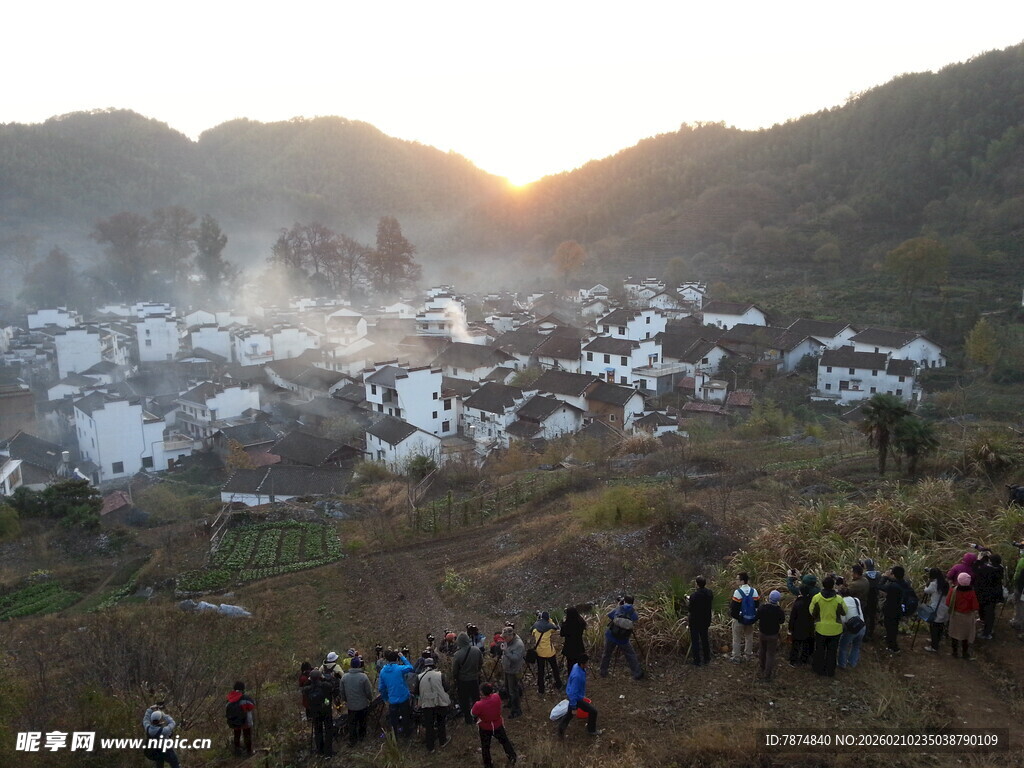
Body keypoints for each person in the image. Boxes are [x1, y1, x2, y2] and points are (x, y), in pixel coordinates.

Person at [472, 683, 517, 768]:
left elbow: (473, 713)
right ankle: (512, 757)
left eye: (481, 694)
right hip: (497, 725)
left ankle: (488, 764)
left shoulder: (479, 704)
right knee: (505, 741)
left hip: (485, 727)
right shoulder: (496, 697)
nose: (480, 695)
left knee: (485, 747)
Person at [599, 595, 644, 680]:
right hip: (623, 638)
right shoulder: (633, 612)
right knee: (630, 654)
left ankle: (603, 671)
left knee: (607, 654)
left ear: (624, 600)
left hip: (611, 635)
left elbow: (610, 615)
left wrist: (619, 606)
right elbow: (635, 619)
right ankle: (637, 673)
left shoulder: (619, 608)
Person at [810, 575, 846, 677]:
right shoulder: (839, 599)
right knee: (832, 651)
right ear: (833, 586)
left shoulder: (817, 598)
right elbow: (844, 612)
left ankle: (818, 669)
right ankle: (830, 671)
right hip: (836, 630)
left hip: (821, 628)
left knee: (820, 650)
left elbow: (812, 611)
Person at [559, 654, 599, 737]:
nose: (588, 664)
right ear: (582, 664)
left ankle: (560, 731)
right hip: (576, 699)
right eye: (587, 663)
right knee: (593, 712)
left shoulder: (576, 666)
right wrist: (574, 707)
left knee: (569, 716)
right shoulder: (577, 676)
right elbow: (573, 692)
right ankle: (591, 730)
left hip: (576, 697)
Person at [417, 657, 452, 753]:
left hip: (427, 704)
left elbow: (416, 691)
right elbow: (447, 688)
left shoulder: (419, 677)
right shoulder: (440, 675)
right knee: (441, 723)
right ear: (434, 665)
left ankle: (430, 747)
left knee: (429, 726)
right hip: (440, 702)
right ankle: (443, 741)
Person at [378, 650, 415, 738]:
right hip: (403, 697)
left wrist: (386, 698)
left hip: (392, 699)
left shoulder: (383, 671)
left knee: (393, 719)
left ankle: (395, 736)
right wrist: (402, 657)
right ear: (396, 659)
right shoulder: (399, 669)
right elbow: (411, 668)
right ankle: (407, 734)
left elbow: (381, 688)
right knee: (406, 717)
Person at [452, 631, 484, 725]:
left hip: (463, 681)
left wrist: (456, 678)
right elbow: (481, 663)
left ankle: (468, 719)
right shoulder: (476, 650)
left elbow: (454, 670)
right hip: (474, 678)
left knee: (464, 700)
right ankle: (477, 716)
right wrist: (476, 671)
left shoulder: (457, 655)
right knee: (476, 698)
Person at [340, 657, 373, 747]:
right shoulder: (363, 677)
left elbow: (342, 692)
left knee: (352, 723)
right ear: (359, 665)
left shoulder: (344, 677)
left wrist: (346, 700)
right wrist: (370, 699)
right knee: (362, 722)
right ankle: (362, 737)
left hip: (351, 705)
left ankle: (353, 740)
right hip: (362, 705)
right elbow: (368, 691)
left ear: (351, 665)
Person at [947, 572, 980, 660]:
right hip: (967, 616)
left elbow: (948, 603)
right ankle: (965, 654)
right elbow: (975, 606)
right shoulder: (972, 592)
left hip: (956, 615)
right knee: (965, 636)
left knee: (954, 635)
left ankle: (954, 652)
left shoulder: (953, 590)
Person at [303, 669, 336, 757]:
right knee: (329, 730)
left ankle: (320, 750)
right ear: (319, 677)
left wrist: (309, 681)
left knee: (318, 731)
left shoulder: (307, 689)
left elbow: (304, 688)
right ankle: (328, 752)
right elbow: (333, 685)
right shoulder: (325, 686)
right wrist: (324, 678)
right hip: (326, 710)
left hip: (315, 712)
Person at [755, 590, 785, 681]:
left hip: (763, 633)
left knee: (762, 650)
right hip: (773, 635)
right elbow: (782, 621)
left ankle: (762, 667)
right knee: (770, 654)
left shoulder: (762, 608)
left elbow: (757, 616)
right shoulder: (779, 611)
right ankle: (767, 674)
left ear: (769, 598)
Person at [880, 566, 911, 653]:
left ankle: (893, 647)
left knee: (890, 627)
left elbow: (880, 586)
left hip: (890, 610)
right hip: (898, 610)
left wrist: (885, 577)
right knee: (894, 627)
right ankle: (891, 641)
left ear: (894, 575)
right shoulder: (903, 583)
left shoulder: (893, 586)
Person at [531, 611, 562, 695]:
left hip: (539, 652)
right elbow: (556, 628)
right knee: (555, 668)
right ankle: (559, 684)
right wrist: (550, 620)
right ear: (547, 618)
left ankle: (541, 689)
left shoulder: (535, 625)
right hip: (549, 652)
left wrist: (538, 621)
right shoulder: (550, 626)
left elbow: (532, 632)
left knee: (541, 671)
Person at [730, 574, 759, 662]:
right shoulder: (754, 591)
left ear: (742, 581)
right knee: (749, 637)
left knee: (736, 638)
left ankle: (736, 657)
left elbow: (734, 608)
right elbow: (757, 606)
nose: (736, 580)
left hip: (739, 619)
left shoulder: (738, 592)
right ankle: (748, 655)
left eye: (737, 579)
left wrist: (738, 617)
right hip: (750, 619)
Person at [975, 553, 1005, 640]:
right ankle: (988, 630)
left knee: (987, 613)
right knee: (990, 612)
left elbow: (976, 572)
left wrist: (978, 560)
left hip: (984, 594)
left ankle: (986, 633)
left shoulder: (986, 569)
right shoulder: (1000, 569)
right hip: (994, 595)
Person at [500, 626, 526, 718]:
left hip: (514, 670)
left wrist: (505, 651)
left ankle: (516, 710)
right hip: (507, 669)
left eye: (505, 637)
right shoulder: (509, 641)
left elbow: (515, 658)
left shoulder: (518, 644)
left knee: (513, 691)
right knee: (507, 688)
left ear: (511, 636)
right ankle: (511, 703)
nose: (504, 639)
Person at [837, 586, 866, 669]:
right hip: (862, 625)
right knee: (856, 646)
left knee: (843, 645)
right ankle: (852, 663)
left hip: (852, 628)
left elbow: (843, 619)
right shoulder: (856, 600)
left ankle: (842, 664)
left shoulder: (841, 602)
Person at [922, 568, 949, 653]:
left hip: (936, 608)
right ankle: (937, 640)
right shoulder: (945, 583)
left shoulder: (934, 584)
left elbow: (926, 591)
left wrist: (927, 584)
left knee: (934, 626)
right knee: (940, 625)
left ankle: (934, 646)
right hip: (944, 608)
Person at [688, 577, 714, 667]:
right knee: (705, 639)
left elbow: (690, 609)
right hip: (705, 620)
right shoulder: (709, 593)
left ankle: (697, 660)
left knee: (695, 641)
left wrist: (689, 600)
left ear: (697, 584)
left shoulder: (694, 596)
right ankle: (707, 658)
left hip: (695, 621)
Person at [225, 681, 256, 756]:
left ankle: (237, 751)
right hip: (245, 721)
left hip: (234, 721)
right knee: (247, 735)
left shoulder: (229, 698)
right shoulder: (245, 697)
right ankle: (249, 751)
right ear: (243, 688)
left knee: (236, 735)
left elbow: (226, 709)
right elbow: (252, 706)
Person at [788, 585, 814, 667]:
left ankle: (793, 660)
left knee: (796, 644)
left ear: (800, 592)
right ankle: (804, 660)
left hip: (798, 627)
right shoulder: (811, 602)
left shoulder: (798, 603)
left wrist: (790, 628)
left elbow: (793, 617)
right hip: (809, 627)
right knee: (806, 644)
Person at [559, 606, 587, 678]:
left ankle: (572, 678)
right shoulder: (580, 622)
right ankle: (580, 677)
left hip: (569, 648)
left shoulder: (567, 625)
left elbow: (562, 634)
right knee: (579, 663)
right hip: (579, 646)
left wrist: (563, 623)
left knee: (570, 665)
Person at [860, 558, 882, 641]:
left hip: (866, 597)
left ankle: (865, 634)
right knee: (872, 615)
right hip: (875, 597)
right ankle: (871, 633)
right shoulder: (878, 574)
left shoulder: (865, 575)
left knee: (865, 615)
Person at [1012, 545, 1024, 629]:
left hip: (1021, 588)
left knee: (1019, 605)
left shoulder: (1022, 560)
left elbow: (1017, 575)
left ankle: (1018, 622)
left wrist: (1014, 582)